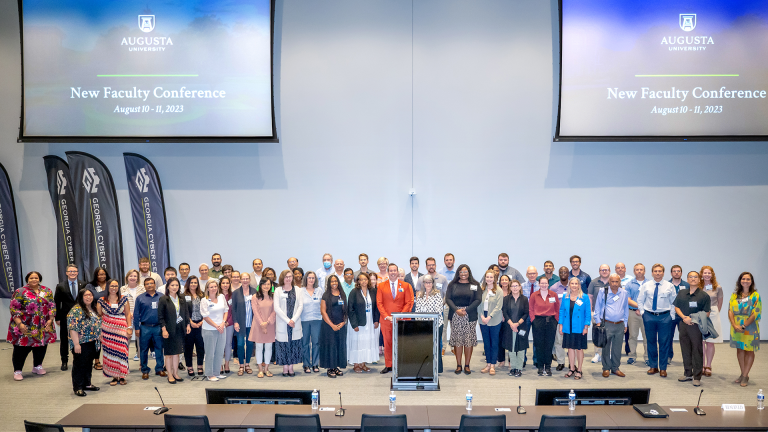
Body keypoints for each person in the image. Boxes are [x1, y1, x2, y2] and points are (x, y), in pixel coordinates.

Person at [9, 271, 56, 381]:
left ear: (39, 279)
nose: (34, 280)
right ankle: (18, 371)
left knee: (41, 346)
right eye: (31, 278)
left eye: (36, 278)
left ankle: (37, 366)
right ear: (27, 280)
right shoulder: (20, 291)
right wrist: (19, 323)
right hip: (25, 325)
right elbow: (14, 308)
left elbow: (52, 305)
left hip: (43, 325)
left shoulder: (46, 290)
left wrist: (51, 320)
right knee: (21, 349)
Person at [637, 264, 676, 378]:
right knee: (651, 341)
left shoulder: (669, 286)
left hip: (665, 317)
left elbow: (674, 302)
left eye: (660, 271)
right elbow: (640, 300)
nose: (658, 273)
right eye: (655, 271)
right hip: (649, 316)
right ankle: (653, 366)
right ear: (652, 273)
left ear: (663, 273)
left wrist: (671, 316)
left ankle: (663, 368)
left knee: (664, 342)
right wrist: (643, 313)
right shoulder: (646, 285)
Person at [674, 271, 710, 387]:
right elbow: (677, 307)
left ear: (699, 280)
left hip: (696, 326)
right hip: (683, 324)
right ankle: (688, 373)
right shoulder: (682, 293)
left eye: (695, 277)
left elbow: (707, 313)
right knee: (685, 349)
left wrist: (693, 319)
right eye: (691, 277)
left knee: (697, 350)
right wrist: (684, 317)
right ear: (687, 279)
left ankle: (697, 376)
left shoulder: (704, 296)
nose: (693, 279)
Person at [377, 263, 415, 374]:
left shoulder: (406, 286)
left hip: (402, 320)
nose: (393, 272)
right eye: (391, 271)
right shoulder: (381, 286)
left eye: (395, 270)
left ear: (397, 272)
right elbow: (379, 303)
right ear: (388, 272)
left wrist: (400, 315)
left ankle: (401, 365)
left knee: (402, 343)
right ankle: (389, 365)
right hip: (386, 320)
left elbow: (409, 302)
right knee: (387, 343)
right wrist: (386, 316)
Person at [445, 264, 481, 375]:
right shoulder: (452, 284)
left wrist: (467, 310)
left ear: (469, 272)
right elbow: (448, 299)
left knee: (468, 340)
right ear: (458, 273)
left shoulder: (475, 284)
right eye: (461, 272)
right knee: (458, 340)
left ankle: (467, 365)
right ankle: (459, 365)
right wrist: (456, 310)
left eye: (465, 272)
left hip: (470, 315)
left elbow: (478, 299)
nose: (463, 274)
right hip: (456, 315)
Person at [97, 279, 132, 386]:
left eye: (116, 286)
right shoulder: (101, 301)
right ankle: (114, 376)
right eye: (112, 286)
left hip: (121, 329)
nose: (114, 288)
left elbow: (128, 314)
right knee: (109, 353)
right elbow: (99, 317)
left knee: (122, 351)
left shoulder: (124, 299)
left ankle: (122, 376)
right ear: (107, 287)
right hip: (107, 331)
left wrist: (129, 327)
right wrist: (99, 332)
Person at [67, 288, 101, 396]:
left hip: (92, 341)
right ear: (81, 297)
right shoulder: (76, 310)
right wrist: (76, 344)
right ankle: (78, 387)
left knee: (88, 364)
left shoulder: (92, 308)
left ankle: (87, 383)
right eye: (86, 295)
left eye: (90, 295)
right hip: (81, 342)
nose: (88, 297)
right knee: (79, 364)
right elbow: (73, 328)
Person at [729, 272, 761, 387]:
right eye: (743, 279)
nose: (745, 281)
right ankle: (743, 374)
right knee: (740, 350)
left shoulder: (755, 295)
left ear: (751, 281)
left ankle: (746, 375)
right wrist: (734, 325)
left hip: (750, 327)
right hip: (736, 327)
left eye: (748, 279)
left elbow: (755, 313)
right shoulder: (735, 295)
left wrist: (744, 326)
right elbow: (730, 311)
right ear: (740, 280)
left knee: (749, 350)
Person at [594, 274, 629, 379]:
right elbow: (597, 307)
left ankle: (615, 368)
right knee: (606, 347)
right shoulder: (603, 291)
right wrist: (598, 321)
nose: (614, 284)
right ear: (609, 281)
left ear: (619, 282)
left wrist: (625, 324)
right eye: (612, 281)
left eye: (616, 282)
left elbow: (626, 308)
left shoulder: (624, 293)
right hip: (606, 324)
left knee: (617, 348)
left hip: (620, 324)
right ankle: (606, 368)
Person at [54, 264, 86, 371]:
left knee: (80, 338)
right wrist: (57, 318)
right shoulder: (60, 286)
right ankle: (64, 361)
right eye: (70, 271)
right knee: (64, 340)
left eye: (75, 271)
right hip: (65, 317)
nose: (73, 273)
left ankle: (79, 359)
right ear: (67, 273)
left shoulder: (84, 284)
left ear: (77, 272)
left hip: (80, 316)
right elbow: (57, 303)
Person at [133, 278, 166, 380]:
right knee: (143, 350)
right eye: (147, 284)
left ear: (155, 285)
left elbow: (166, 312)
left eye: (151, 283)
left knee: (159, 349)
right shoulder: (140, 298)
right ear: (144, 286)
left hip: (158, 327)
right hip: (145, 327)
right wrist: (137, 328)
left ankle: (159, 368)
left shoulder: (162, 296)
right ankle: (145, 370)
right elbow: (136, 314)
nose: (150, 285)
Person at [158, 278, 189, 384]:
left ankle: (176, 373)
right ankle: (170, 374)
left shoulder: (182, 297)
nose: (175, 287)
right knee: (169, 354)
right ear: (168, 287)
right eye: (172, 285)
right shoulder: (163, 299)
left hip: (180, 329)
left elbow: (185, 313)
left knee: (177, 353)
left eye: (176, 285)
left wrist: (188, 324)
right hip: (168, 330)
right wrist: (164, 329)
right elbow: (160, 317)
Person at [559, 277, 591, 380]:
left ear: (579, 285)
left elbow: (588, 313)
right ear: (569, 285)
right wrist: (561, 325)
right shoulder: (565, 297)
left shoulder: (584, 297)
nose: (574, 285)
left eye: (575, 283)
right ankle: (572, 368)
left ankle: (579, 369)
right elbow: (562, 311)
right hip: (568, 327)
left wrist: (586, 326)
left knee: (579, 349)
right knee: (570, 348)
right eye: (572, 283)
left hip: (580, 327)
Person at [348, 272, 380, 373]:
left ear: (368, 280)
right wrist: (354, 324)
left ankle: (363, 364)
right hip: (359, 322)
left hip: (370, 320)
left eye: (365, 279)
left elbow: (376, 307)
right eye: (361, 279)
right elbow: (350, 309)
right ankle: (356, 364)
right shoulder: (354, 292)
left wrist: (376, 320)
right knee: (357, 342)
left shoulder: (373, 291)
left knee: (366, 342)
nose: (363, 281)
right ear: (358, 281)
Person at [275, 270, 303, 377]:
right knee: (283, 345)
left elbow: (300, 306)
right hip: (283, 322)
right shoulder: (278, 290)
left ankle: (291, 366)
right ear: (282, 278)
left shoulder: (298, 290)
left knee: (293, 344)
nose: (288, 278)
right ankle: (285, 367)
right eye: (286, 277)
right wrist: (288, 321)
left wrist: (293, 320)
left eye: (290, 276)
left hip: (294, 322)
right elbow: (276, 308)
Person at [530, 276, 560, 376]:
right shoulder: (534, 295)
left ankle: (548, 366)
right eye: (542, 283)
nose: (543, 285)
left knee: (549, 345)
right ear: (539, 284)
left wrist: (556, 320)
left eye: (545, 283)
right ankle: (539, 366)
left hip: (551, 321)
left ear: (548, 284)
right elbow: (531, 309)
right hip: (538, 321)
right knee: (539, 345)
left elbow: (557, 309)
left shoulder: (553, 295)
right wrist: (533, 320)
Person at [320, 275, 348, 377]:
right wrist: (332, 325)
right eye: (332, 281)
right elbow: (323, 312)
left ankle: (336, 367)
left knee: (338, 345)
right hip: (328, 325)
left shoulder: (342, 294)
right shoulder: (325, 295)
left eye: (335, 281)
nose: (334, 283)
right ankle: (330, 368)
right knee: (330, 346)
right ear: (329, 283)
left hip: (340, 325)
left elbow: (345, 310)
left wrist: (343, 322)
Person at [414, 274, 443, 373]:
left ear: (433, 283)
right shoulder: (420, 295)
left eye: (430, 282)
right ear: (423, 284)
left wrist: (430, 324)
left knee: (435, 346)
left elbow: (438, 311)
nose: (428, 284)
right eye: (426, 282)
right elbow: (417, 310)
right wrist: (420, 323)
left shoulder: (437, 294)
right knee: (424, 346)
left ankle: (437, 368)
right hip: (423, 324)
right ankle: (426, 366)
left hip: (435, 324)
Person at [201, 279, 228, 382]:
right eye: (211, 287)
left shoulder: (221, 297)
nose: (213, 288)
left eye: (215, 286)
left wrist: (222, 323)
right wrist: (216, 326)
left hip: (222, 328)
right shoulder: (204, 300)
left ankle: (217, 372)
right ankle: (209, 373)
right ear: (207, 288)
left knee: (220, 351)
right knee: (210, 353)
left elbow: (226, 310)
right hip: (209, 330)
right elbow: (205, 317)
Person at [502, 279, 529, 377]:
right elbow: (504, 312)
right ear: (510, 288)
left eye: (516, 286)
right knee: (511, 348)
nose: (515, 288)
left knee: (521, 348)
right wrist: (512, 324)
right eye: (513, 286)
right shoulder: (506, 299)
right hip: (509, 327)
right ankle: (513, 368)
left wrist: (517, 324)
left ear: (520, 287)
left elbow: (526, 313)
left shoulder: (524, 299)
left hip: (521, 326)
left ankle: (519, 369)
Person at [478, 270, 504, 376]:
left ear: (495, 278)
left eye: (491, 277)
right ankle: (488, 364)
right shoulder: (481, 289)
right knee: (486, 343)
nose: (489, 279)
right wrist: (482, 316)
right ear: (485, 278)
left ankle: (493, 365)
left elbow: (499, 306)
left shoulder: (499, 290)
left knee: (494, 343)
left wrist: (489, 317)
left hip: (494, 318)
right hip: (482, 318)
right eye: (487, 277)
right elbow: (477, 304)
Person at [250, 278, 276, 378]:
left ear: (271, 285)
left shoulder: (273, 296)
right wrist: (262, 324)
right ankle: (260, 369)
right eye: (264, 284)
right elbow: (255, 312)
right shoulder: (255, 297)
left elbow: (275, 311)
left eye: (268, 284)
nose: (266, 286)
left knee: (269, 347)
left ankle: (267, 369)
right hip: (258, 325)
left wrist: (267, 322)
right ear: (260, 285)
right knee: (259, 347)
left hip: (270, 324)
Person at [232, 273, 257, 375]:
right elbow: (233, 309)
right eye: (243, 279)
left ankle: (247, 364)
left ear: (250, 280)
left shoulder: (255, 292)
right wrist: (235, 322)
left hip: (252, 323)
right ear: (240, 280)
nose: (245, 280)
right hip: (240, 323)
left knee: (250, 344)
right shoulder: (236, 293)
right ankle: (241, 365)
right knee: (240, 344)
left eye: (247, 279)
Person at [700, 265, 724, 377]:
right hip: (700, 314)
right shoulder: (698, 286)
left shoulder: (717, 287)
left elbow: (720, 303)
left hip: (713, 314)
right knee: (701, 341)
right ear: (701, 274)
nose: (707, 275)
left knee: (710, 342)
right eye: (705, 273)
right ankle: (701, 365)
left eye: (709, 273)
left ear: (712, 274)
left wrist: (714, 313)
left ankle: (708, 365)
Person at [625, 263, 649, 366]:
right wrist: (640, 307)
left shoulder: (650, 283)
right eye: (637, 270)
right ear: (634, 271)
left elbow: (651, 299)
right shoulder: (629, 284)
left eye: (641, 269)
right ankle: (632, 356)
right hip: (632, 313)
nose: (639, 271)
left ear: (644, 271)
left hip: (646, 314)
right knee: (632, 336)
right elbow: (628, 300)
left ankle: (648, 357)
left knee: (647, 336)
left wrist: (642, 309)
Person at [666, 265, 690, 364]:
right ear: (671, 273)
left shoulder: (687, 285)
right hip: (669, 315)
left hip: (682, 315)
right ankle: (668, 356)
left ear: (681, 273)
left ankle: (686, 357)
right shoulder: (666, 284)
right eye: (674, 271)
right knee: (668, 337)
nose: (676, 273)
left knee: (684, 337)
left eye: (678, 271)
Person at [300, 271, 324, 373]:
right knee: (305, 343)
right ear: (306, 279)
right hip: (304, 320)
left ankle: (315, 364)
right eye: (309, 278)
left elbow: (323, 305)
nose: (311, 280)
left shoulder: (319, 290)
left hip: (317, 319)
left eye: (313, 278)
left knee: (316, 342)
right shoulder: (300, 291)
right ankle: (306, 364)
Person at [587, 264, 611, 364]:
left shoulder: (613, 282)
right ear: (599, 271)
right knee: (598, 333)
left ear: (609, 271)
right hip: (597, 313)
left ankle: (607, 354)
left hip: (610, 313)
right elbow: (590, 297)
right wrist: (591, 312)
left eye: (606, 270)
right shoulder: (594, 282)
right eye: (602, 270)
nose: (604, 271)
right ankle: (597, 354)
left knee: (609, 333)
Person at [183, 276, 205, 377]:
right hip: (189, 324)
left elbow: (206, 309)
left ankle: (200, 366)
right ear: (188, 284)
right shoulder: (183, 296)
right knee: (188, 347)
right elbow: (183, 311)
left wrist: (202, 321)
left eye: (195, 282)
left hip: (201, 324)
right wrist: (190, 322)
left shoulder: (202, 295)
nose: (193, 284)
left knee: (201, 346)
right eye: (191, 282)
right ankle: (189, 367)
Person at [120, 269, 145, 361]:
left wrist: (138, 312)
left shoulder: (142, 288)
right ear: (127, 277)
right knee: (127, 338)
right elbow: (120, 303)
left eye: (135, 276)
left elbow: (145, 302)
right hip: (127, 317)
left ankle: (141, 361)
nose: (133, 278)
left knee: (140, 340)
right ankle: (124, 362)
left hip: (140, 316)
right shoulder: (122, 289)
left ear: (138, 278)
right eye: (131, 276)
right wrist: (128, 312)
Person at [549, 267, 570, 371]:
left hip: (572, 319)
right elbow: (551, 304)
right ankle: (561, 362)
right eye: (561, 272)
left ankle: (572, 362)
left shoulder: (574, 286)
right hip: (559, 319)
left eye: (565, 272)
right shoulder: (553, 288)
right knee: (559, 341)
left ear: (568, 274)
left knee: (572, 342)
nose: (563, 274)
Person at [220, 276, 235, 374]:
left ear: (230, 284)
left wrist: (228, 322)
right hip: (218, 324)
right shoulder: (216, 295)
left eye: (227, 283)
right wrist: (221, 322)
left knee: (228, 344)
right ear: (220, 284)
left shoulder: (233, 295)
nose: (225, 285)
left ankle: (227, 364)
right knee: (219, 345)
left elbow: (234, 310)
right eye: (223, 283)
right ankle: (219, 364)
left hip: (230, 323)